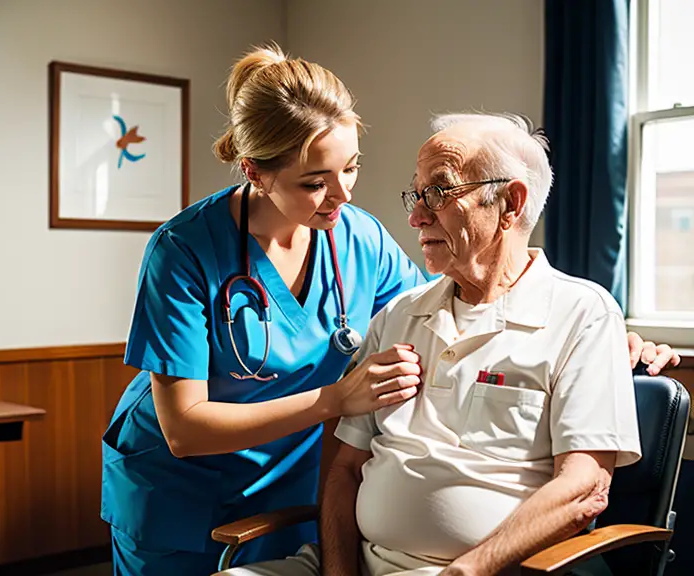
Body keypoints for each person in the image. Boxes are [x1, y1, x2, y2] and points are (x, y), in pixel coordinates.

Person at [101, 43, 679, 575]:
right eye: (315, 181)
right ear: (254, 171)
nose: (345, 194)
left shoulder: (359, 241)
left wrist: (609, 344)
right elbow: (184, 428)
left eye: (351, 167)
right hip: (180, 486)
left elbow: (462, 299)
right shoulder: (184, 250)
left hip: (296, 484)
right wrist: (335, 399)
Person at [214, 113, 674, 576]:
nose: (415, 215)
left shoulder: (582, 314)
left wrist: (467, 571)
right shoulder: (397, 315)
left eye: (438, 192)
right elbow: (344, 471)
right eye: (416, 194)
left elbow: (584, 488)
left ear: (510, 204)